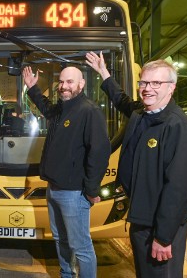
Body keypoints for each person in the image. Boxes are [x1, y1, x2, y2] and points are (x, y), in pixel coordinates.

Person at [85, 51, 187, 277]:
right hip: (141, 218)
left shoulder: (178, 127)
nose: (148, 88)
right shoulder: (141, 114)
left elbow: (178, 188)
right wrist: (104, 73)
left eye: (156, 82)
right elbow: (121, 100)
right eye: (144, 82)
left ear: (171, 87)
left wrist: (163, 237)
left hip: (160, 226)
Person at [22, 66, 111, 278]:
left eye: (70, 82)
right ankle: (66, 274)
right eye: (61, 82)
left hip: (74, 193)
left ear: (81, 84)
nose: (64, 86)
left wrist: (91, 189)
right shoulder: (63, 107)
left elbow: (99, 152)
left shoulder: (89, 110)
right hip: (53, 188)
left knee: (81, 247)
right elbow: (46, 108)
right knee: (60, 239)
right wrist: (33, 88)